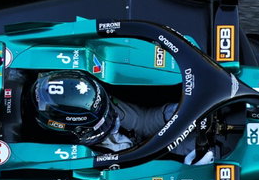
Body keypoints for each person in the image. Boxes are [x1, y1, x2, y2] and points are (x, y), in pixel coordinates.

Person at [30, 69, 213, 162]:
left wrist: (173, 114)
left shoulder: (95, 102)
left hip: (138, 138)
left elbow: (142, 121)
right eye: (104, 118)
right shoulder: (66, 152)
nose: (111, 116)